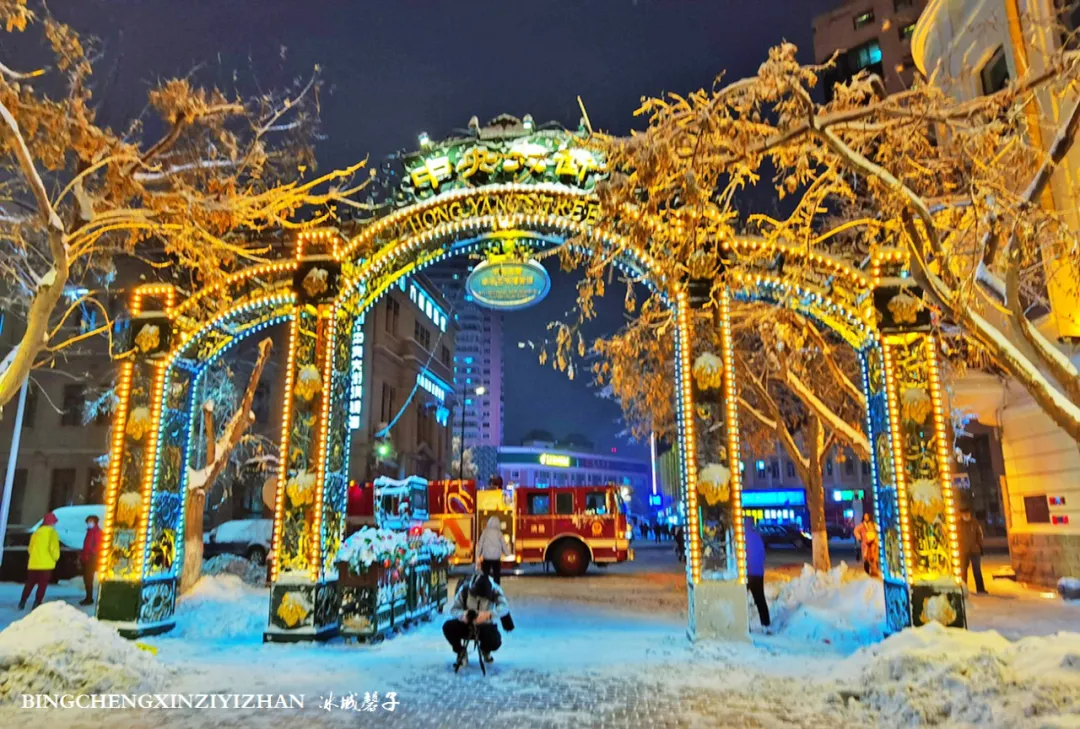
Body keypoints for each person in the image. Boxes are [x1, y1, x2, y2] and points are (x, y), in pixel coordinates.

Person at [443, 573, 510, 668]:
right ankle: (460, 651)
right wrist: (464, 615)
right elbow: (454, 609)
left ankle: (486, 650)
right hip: (466, 624)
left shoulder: (495, 590)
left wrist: (489, 614)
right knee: (448, 627)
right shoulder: (464, 589)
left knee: (495, 641)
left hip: (485, 625)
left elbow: (505, 607)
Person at [19, 511, 60, 610]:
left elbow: (30, 548)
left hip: (33, 563)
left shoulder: (36, 533)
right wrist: (56, 557)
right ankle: (37, 602)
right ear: (51, 523)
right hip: (46, 564)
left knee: (30, 583)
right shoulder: (52, 533)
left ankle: (23, 601)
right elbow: (53, 548)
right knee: (42, 585)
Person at [744, 517, 771, 631]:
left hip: (746, 573)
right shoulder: (757, 537)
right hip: (758, 573)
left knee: (742, 600)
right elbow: (763, 555)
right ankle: (766, 625)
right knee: (760, 599)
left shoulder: (742, 538)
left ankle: (745, 626)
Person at [958, 508, 987, 595]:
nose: (966, 515)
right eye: (964, 514)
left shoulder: (975, 523)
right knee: (963, 571)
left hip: (975, 550)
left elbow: (979, 534)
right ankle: (963, 589)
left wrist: (979, 545)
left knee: (977, 570)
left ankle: (980, 589)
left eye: (967, 513)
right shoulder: (958, 524)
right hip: (963, 551)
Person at [475, 516, 511, 585]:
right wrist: (507, 553)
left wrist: (478, 556)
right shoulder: (499, 533)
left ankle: (485, 589)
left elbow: (480, 544)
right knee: (496, 575)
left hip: (486, 558)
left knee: (485, 575)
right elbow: (503, 545)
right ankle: (496, 589)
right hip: (496, 558)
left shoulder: (485, 532)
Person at [80, 514, 103, 605]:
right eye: (88, 521)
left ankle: (89, 598)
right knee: (86, 578)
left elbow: (98, 545)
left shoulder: (97, 532)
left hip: (91, 558)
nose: (89, 523)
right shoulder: (90, 532)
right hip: (87, 558)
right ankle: (88, 597)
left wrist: (92, 553)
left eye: (91, 521)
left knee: (88, 578)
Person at [852, 513, 879, 577]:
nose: (866, 517)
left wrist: (876, 538)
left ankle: (874, 572)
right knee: (866, 558)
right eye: (865, 516)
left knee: (874, 558)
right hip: (866, 544)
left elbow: (879, 530)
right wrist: (859, 537)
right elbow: (855, 530)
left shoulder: (873, 524)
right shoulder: (862, 525)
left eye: (867, 516)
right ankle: (867, 573)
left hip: (873, 544)